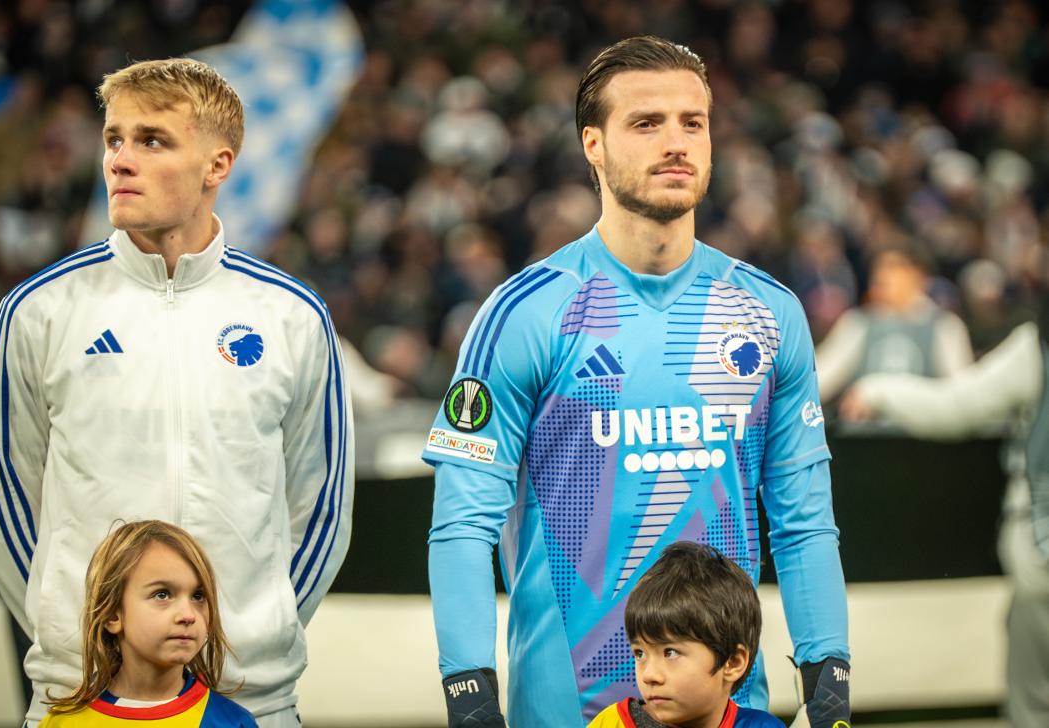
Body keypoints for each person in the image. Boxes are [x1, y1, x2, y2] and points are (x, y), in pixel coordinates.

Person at [423, 36, 850, 728]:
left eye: (693, 122)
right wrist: (470, 699)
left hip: (732, 712)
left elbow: (804, 523)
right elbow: (461, 526)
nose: (676, 142)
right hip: (565, 713)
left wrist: (829, 685)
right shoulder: (524, 314)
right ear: (592, 144)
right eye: (646, 123)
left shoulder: (768, 313)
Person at [0, 58, 353, 728]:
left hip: (250, 700)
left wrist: (254, 629)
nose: (120, 160)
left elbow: (320, 508)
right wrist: (74, 630)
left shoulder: (292, 316)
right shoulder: (38, 310)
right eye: (113, 139)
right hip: (80, 698)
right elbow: (3, 503)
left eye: (152, 140)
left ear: (217, 165)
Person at [842, 296, 1049, 727]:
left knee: (1034, 705)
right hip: (1037, 548)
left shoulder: (1038, 344)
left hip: (1040, 542)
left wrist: (880, 390)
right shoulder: (1035, 345)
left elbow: (957, 406)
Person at [40, 520, 256, 726]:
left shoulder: (232, 723)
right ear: (112, 615)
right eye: (162, 594)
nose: (188, 615)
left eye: (198, 596)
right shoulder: (62, 723)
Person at [587, 541, 783, 728]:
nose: (649, 675)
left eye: (670, 653)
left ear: (733, 662)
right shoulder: (610, 723)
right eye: (640, 654)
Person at [815, 241, 973, 405]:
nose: (881, 276)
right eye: (878, 268)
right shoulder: (857, 323)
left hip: (923, 419)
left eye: (893, 267)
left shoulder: (945, 326)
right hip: (868, 421)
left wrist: (878, 394)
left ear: (919, 276)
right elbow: (819, 381)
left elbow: (960, 394)